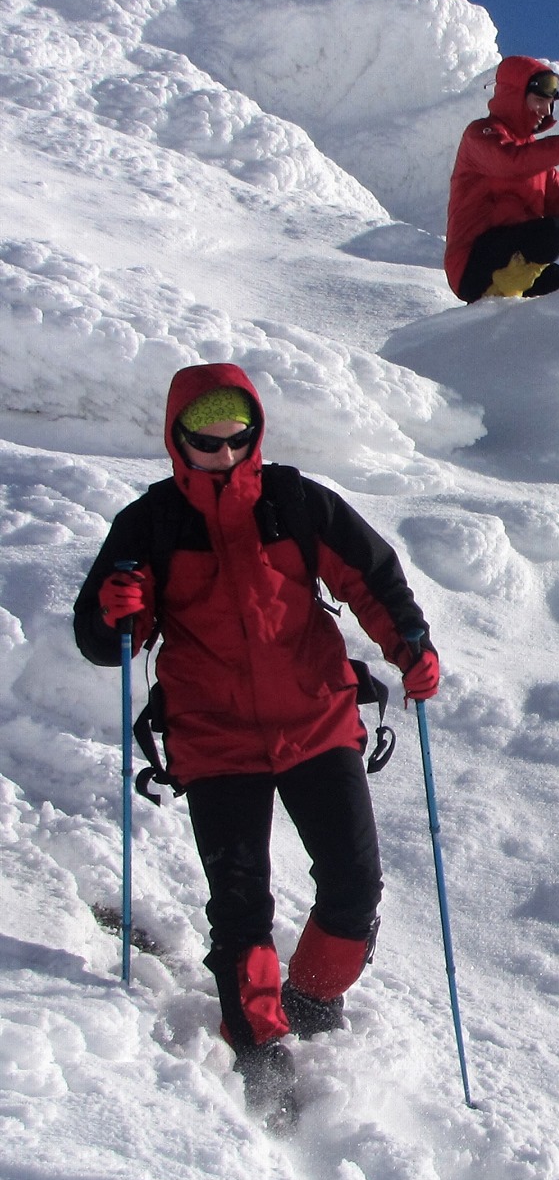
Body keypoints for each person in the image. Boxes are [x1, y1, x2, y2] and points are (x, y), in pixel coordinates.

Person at [73, 364, 440, 1127]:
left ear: (255, 432)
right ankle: (259, 1046)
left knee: (353, 886)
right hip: (215, 739)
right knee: (240, 905)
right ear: (179, 441)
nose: (225, 456)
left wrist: (408, 644)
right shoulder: (149, 523)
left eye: (238, 440)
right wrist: (116, 612)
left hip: (316, 717)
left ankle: (309, 998)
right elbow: (104, 640)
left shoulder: (294, 502)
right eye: (207, 445)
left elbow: (373, 578)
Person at [445, 55, 559, 301]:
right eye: (539, 100)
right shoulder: (480, 135)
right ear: (514, 96)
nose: (546, 111)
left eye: (549, 104)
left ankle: (511, 291)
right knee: (553, 231)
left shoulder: (535, 160)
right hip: (472, 264)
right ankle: (502, 292)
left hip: (516, 264)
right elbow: (511, 163)